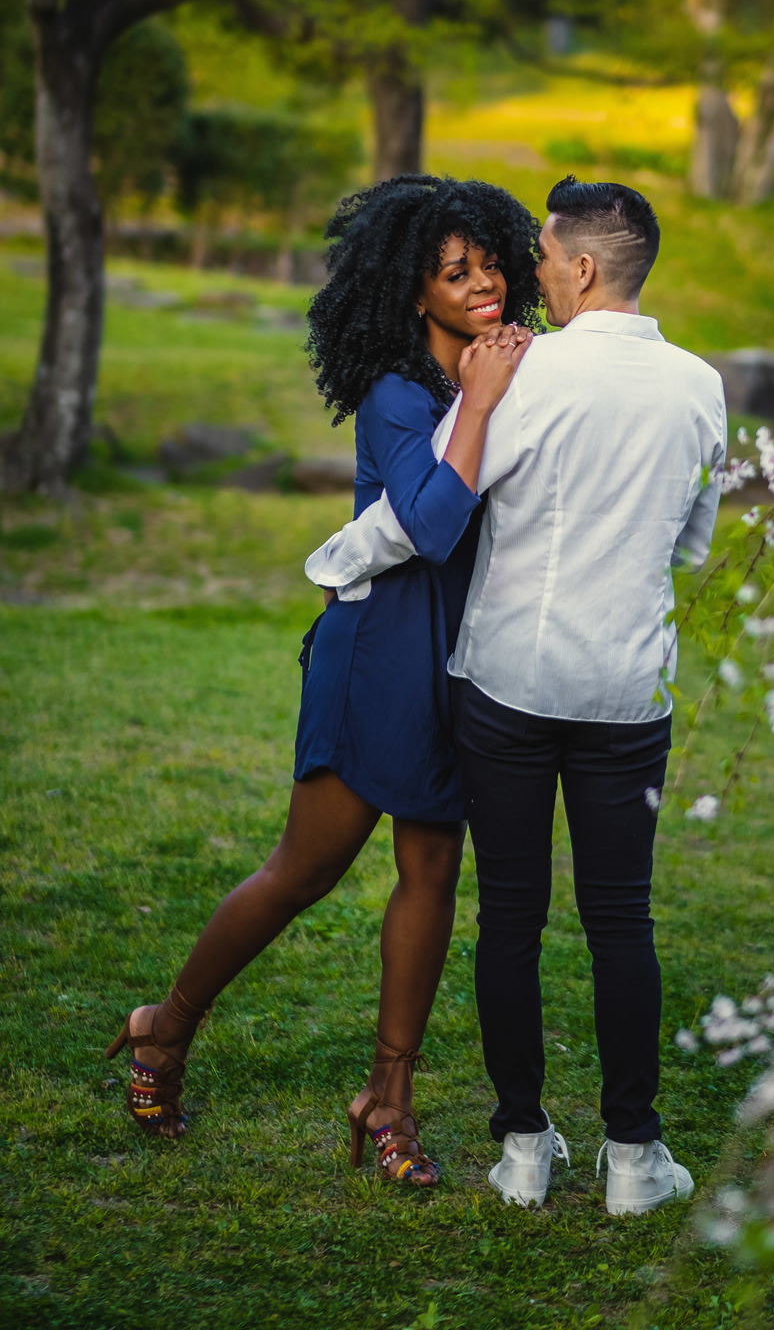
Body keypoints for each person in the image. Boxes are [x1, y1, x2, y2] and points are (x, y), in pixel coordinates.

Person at [105, 176, 539, 1188]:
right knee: (307, 870)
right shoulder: (400, 390)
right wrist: (479, 401)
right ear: (413, 292)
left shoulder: (511, 364)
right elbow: (429, 528)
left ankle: (388, 1100)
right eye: (455, 272)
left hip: (461, 654)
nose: (484, 283)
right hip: (379, 646)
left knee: (433, 874)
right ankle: (163, 1031)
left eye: (490, 263)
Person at [309, 177, 727, 1215]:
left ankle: (523, 1148)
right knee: (622, 922)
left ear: (582, 269)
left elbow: (431, 515)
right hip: (628, 687)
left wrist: (339, 558)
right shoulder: (703, 386)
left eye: (538, 255)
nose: (526, 274)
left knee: (511, 920)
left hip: (508, 681)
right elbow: (692, 542)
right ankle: (633, 1158)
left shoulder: (520, 377)